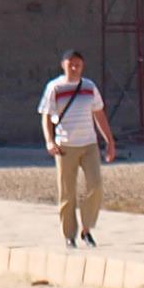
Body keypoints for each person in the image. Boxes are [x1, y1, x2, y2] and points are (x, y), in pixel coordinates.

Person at [38, 49, 120, 249]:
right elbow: (46, 116)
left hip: (89, 144)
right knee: (67, 192)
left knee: (96, 186)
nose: (74, 68)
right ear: (63, 65)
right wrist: (50, 141)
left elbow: (99, 114)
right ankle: (68, 234)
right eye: (71, 64)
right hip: (65, 146)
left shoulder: (89, 87)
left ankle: (86, 229)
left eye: (78, 65)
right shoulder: (54, 87)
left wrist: (109, 141)